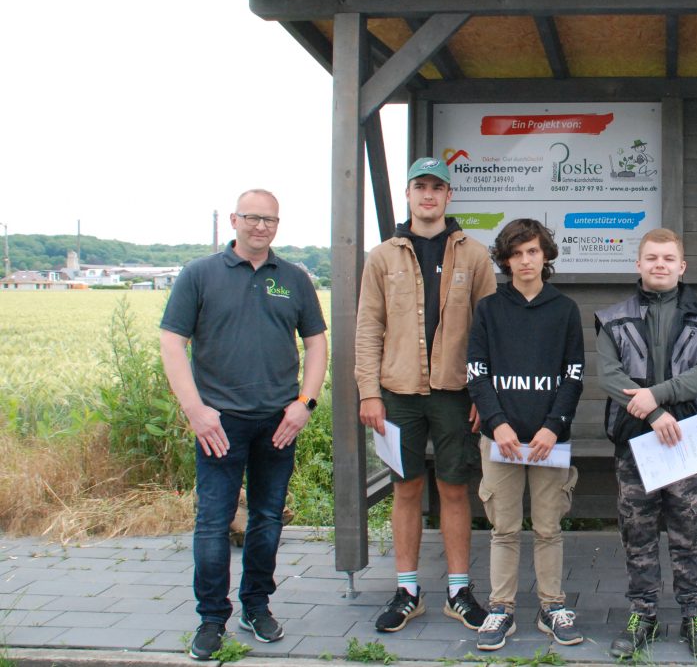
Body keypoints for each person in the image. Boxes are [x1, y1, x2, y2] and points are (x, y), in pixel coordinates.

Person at [160, 189, 327, 660]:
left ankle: (257, 606)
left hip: (279, 422)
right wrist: (194, 408)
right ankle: (211, 619)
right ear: (234, 219)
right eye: (252, 218)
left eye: (270, 220)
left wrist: (305, 404)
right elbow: (172, 342)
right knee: (212, 523)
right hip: (219, 422)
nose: (261, 227)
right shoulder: (200, 275)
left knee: (268, 518)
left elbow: (316, 344)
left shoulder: (293, 278)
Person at [355, 157, 496, 633]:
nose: (429, 195)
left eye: (438, 186)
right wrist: (368, 392)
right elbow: (368, 327)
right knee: (406, 487)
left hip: (455, 393)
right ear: (409, 194)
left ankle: (459, 590)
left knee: (455, 489)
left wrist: (484, 392)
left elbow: (488, 331)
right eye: (421, 186)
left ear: (449, 195)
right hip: (397, 393)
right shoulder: (382, 256)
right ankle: (408, 590)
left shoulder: (475, 255)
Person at [595, 228, 697, 659]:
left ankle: (694, 615)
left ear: (681, 266)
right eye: (652, 257)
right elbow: (610, 376)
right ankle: (643, 614)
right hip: (635, 441)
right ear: (638, 263)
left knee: (689, 531)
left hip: (685, 440)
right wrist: (651, 411)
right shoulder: (613, 318)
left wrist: (660, 394)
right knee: (638, 532)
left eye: (668, 258)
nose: (660, 265)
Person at [466, 218, 585, 651]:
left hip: (548, 442)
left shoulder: (565, 309)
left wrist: (553, 427)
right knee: (504, 528)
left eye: (532, 251)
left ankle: (553, 606)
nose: (525, 260)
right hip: (502, 439)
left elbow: (573, 376)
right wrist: (497, 424)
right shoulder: (489, 309)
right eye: (516, 254)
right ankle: (501, 608)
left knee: (550, 527)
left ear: (545, 254)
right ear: (505, 260)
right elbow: (476, 373)